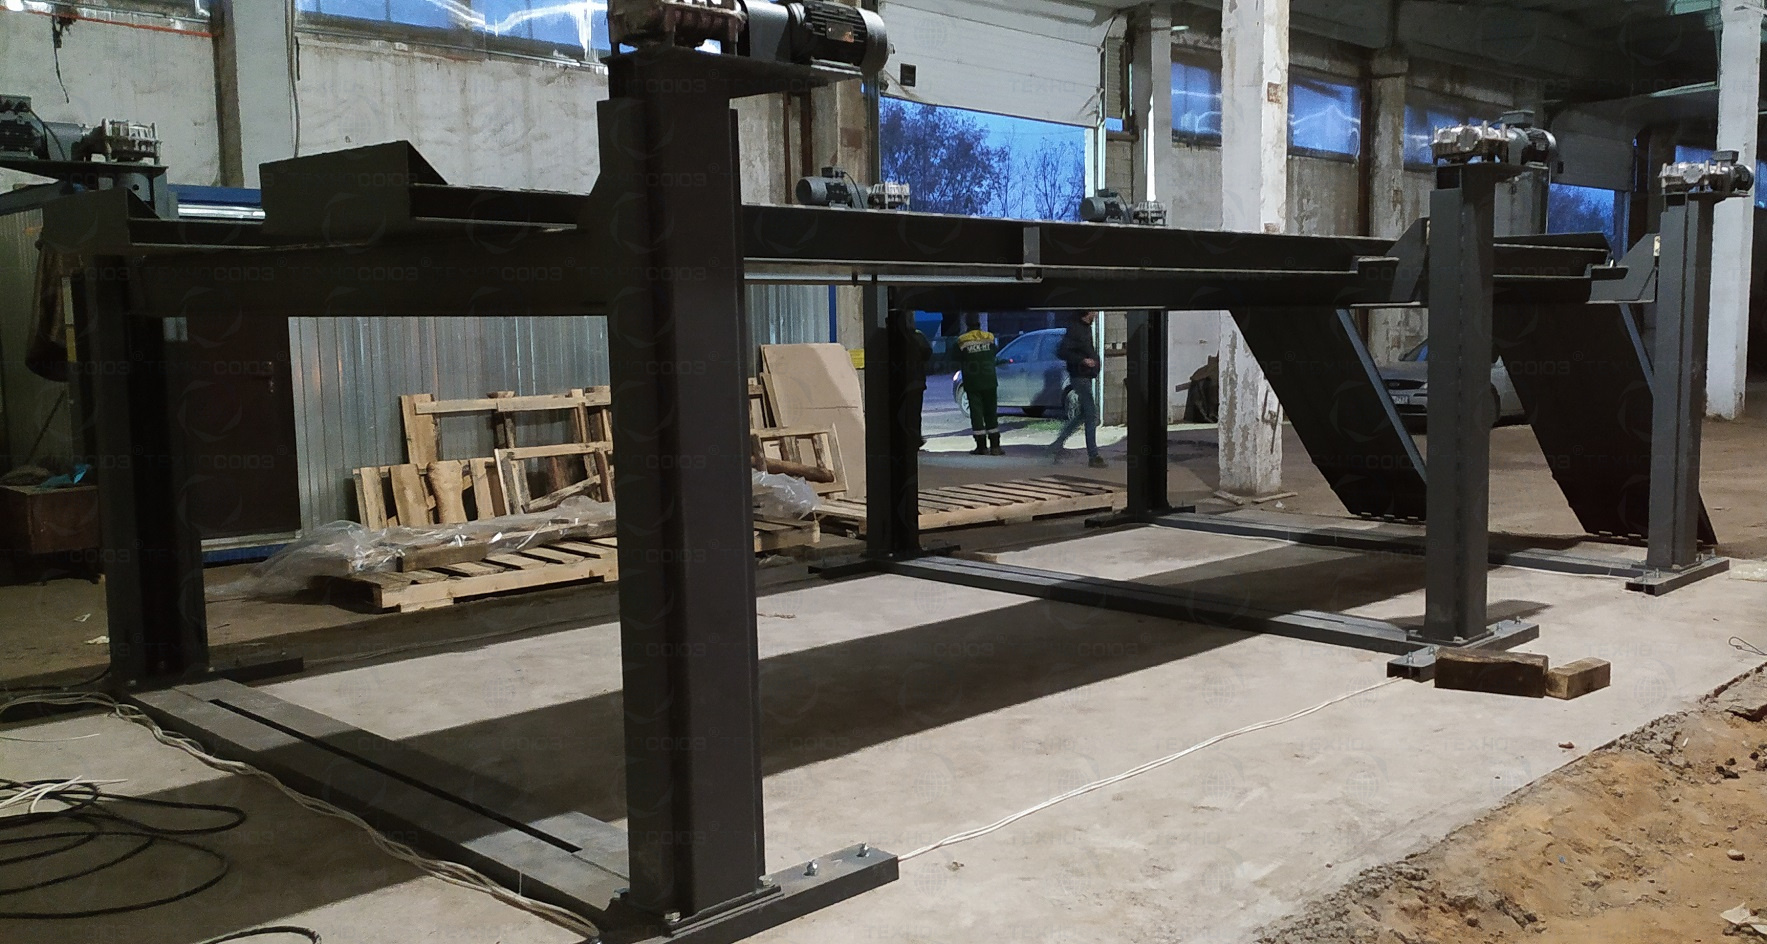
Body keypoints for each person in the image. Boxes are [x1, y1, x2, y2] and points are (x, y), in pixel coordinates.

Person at [1049, 310, 1104, 468]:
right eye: (1094, 311)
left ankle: (1056, 445)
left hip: (1085, 376)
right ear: (1087, 312)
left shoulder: (1085, 328)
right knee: (1091, 414)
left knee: (1083, 415)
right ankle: (1093, 456)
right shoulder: (1076, 329)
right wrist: (1083, 360)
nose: (1096, 314)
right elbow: (1062, 351)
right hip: (1079, 376)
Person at [954, 313, 1003, 455]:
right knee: (991, 413)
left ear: (967, 324)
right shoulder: (989, 337)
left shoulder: (962, 340)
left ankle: (981, 447)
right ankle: (995, 446)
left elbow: (954, 357)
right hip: (990, 381)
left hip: (973, 382)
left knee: (976, 414)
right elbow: (994, 354)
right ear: (979, 323)